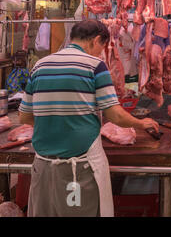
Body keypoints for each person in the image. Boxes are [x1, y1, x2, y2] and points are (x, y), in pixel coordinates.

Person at [18, 19, 159, 217]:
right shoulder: (95, 66)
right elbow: (114, 114)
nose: (101, 53)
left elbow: (25, 116)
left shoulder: (40, 66)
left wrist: (58, 124)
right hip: (78, 171)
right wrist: (141, 123)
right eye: (102, 47)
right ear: (97, 40)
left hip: (42, 168)